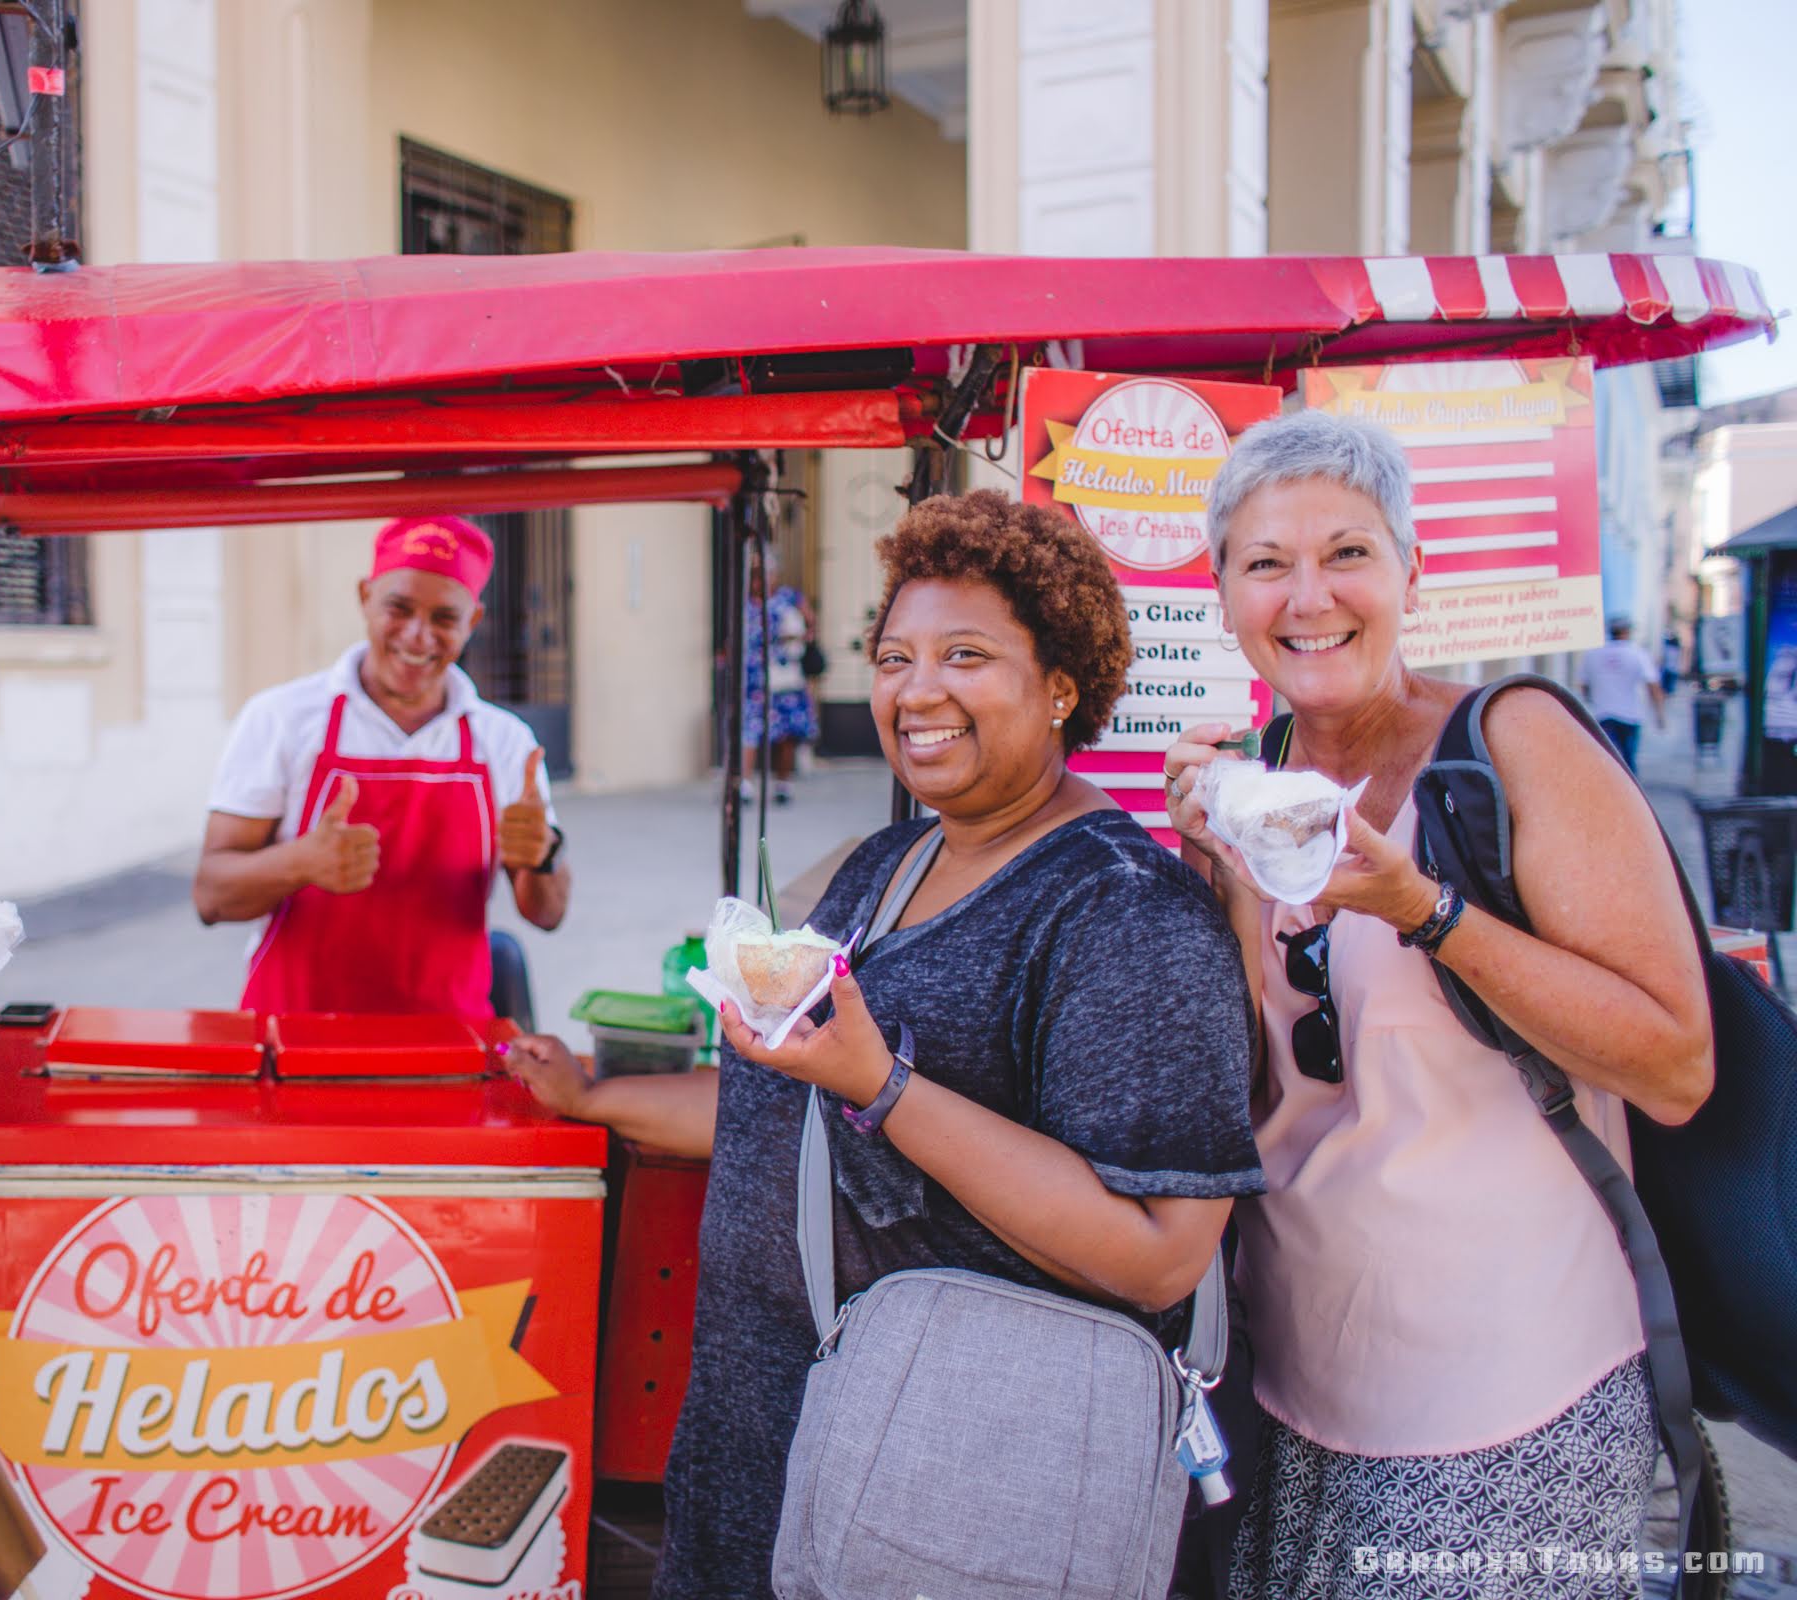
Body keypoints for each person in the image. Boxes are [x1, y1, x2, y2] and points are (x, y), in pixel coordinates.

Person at [506, 491, 1264, 1598]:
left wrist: (887, 1084)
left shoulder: (1124, 912)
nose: (916, 690)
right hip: (760, 1457)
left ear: (1061, 685)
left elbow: (1160, 1250)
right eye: (895, 654)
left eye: (966, 654)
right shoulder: (886, 866)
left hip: (943, 1492)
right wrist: (590, 1097)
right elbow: (789, 1106)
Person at [1162, 411, 1712, 1600]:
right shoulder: (1248, 786)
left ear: (1415, 570)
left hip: (1517, 1383)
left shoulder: (1512, 742)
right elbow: (1263, 1090)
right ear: (1223, 597)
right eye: (1267, 564)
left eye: (1348, 553)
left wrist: (1424, 908)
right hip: (1297, 1381)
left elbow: (1675, 1064)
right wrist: (1203, 874)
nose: (1309, 596)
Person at [194, 516, 568, 1016]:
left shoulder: (504, 742)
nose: (418, 637)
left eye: (443, 618)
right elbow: (211, 896)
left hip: (450, 1042)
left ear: (473, 621)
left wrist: (542, 856)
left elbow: (547, 914)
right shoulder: (282, 720)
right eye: (399, 607)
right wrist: (302, 862)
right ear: (365, 596)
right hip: (293, 1034)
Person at [744, 548, 818, 805]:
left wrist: (793, 638)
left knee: (786, 733)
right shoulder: (745, 603)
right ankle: (745, 783)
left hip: (785, 676)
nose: (759, 580)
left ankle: (783, 783)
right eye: (754, 574)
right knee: (750, 730)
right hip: (754, 677)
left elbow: (810, 626)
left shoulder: (789, 598)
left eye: (764, 573)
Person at [1578, 615, 1666, 774]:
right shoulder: (1638, 654)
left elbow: (1584, 686)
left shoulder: (1592, 654)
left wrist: (1594, 699)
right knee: (1628, 762)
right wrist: (1660, 715)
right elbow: (1653, 686)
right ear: (1627, 632)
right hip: (1630, 715)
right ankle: (1629, 796)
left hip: (1602, 714)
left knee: (1605, 761)